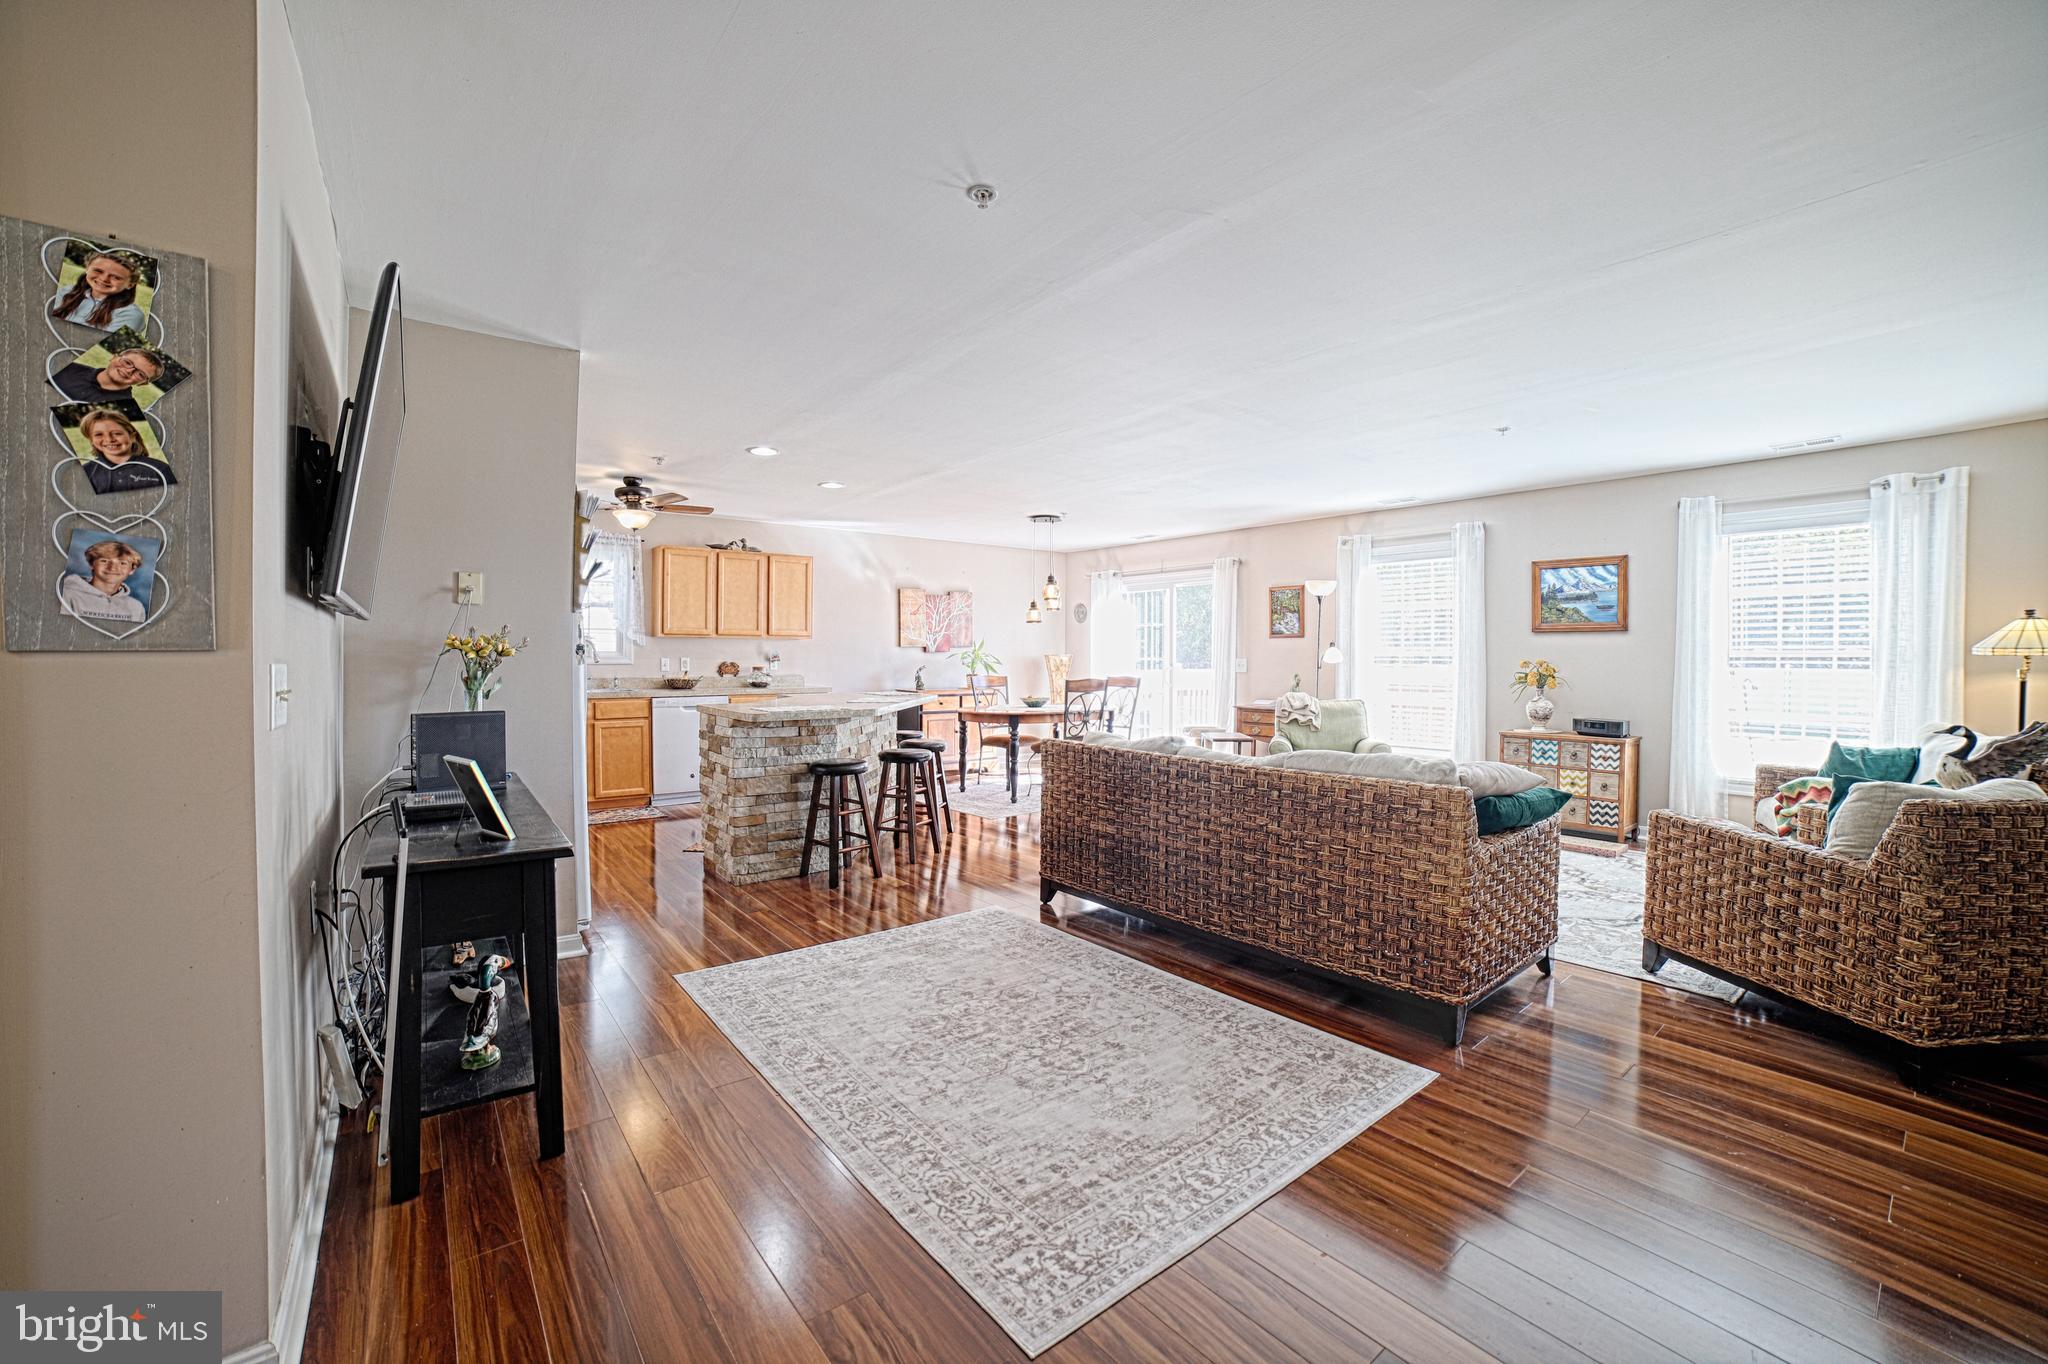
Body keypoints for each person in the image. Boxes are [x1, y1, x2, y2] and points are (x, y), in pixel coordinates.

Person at [75, 407, 177, 495]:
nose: (109, 439)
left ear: (132, 437)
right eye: (98, 434)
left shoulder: (160, 469)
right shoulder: (86, 473)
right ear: (91, 440)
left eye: (117, 433)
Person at [47, 249, 146, 331]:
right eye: (98, 271)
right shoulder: (67, 291)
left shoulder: (131, 315)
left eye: (116, 277)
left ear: (130, 285)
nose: (104, 279)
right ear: (87, 269)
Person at [60, 540, 148, 622]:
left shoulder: (136, 607)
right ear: (91, 564)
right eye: (104, 561)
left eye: (122, 563)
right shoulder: (67, 595)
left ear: (132, 570)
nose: (112, 568)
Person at [50, 344, 166, 403]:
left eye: (140, 374)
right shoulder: (69, 369)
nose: (129, 371)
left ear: (143, 383)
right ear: (114, 357)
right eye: (127, 362)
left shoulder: (121, 408)